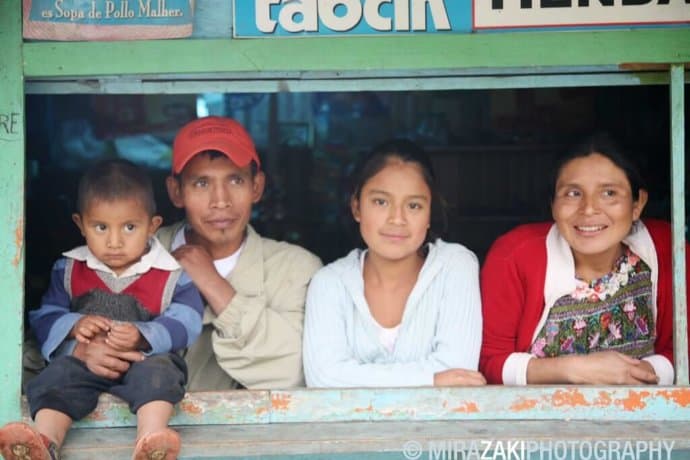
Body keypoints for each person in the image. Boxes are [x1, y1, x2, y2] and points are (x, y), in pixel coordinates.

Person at [0, 159, 204, 460]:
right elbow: (43, 317)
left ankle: (151, 441)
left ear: (152, 226)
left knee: (162, 375)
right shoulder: (68, 269)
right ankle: (45, 443)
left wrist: (143, 335)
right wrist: (72, 326)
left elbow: (188, 321)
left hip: (144, 361)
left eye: (130, 227)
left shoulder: (170, 273)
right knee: (57, 378)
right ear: (80, 225)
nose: (114, 242)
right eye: (100, 227)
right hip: (84, 363)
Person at [480, 133, 689, 385]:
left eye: (609, 193)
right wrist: (576, 370)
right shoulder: (514, 255)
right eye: (572, 194)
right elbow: (489, 362)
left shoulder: (668, 247)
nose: (589, 209)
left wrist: (631, 375)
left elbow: (681, 350)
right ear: (553, 204)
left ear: (637, 203)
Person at [154, 115, 322, 390]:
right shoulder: (138, 255)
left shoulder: (295, 269)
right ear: (176, 191)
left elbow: (293, 373)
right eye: (201, 183)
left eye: (235, 181)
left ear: (256, 187)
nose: (220, 201)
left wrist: (212, 283)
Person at [303, 139, 486, 388]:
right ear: (357, 207)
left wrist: (357, 377)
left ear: (430, 214)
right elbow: (324, 378)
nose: (397, 219)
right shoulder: (329, 283)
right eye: (380, 202)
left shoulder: (455, 266)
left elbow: (458, 371)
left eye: (414, 205)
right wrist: (430, 379)